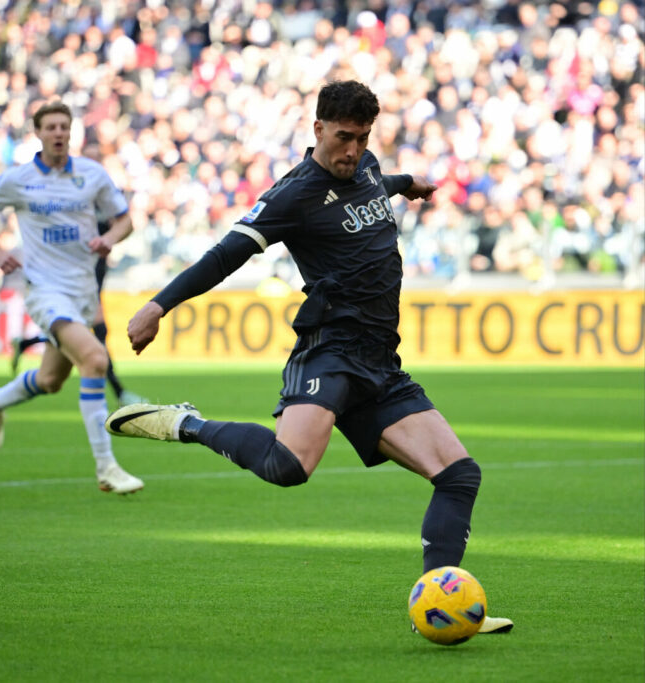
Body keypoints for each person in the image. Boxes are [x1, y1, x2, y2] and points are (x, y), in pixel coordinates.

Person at [105, 80, 512, 634]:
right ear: (318, 128)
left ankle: (441, 606)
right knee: (287, 467)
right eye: (344, 137)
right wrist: (158, 305)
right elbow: (224, 255)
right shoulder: (291, 195)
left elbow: (374, 184)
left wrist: (407, 185)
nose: (353, 149)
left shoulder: (365, 165)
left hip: (379, 364)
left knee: (460, 475)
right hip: (331, 352)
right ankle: (186, 424)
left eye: (363, 137)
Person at [0, 101, 144, 495]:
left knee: (50, 380)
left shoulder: (91, 174)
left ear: (72, 131)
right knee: (96, 359)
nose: (59, 133)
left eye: (64, 126)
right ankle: (107, 467)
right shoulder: (19, 179)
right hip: (44, 289)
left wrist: (109, 239)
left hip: (83, 289)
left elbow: (125, 220)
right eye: (51, 127)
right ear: (39, 133)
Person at [9, 219, 145, 409]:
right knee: (97, 338)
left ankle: (25, 343)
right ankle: (120, 392)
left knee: (53, 374)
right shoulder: (80, 208)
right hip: (79, 283)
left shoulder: (104, 200)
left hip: (94, 277)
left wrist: (111, 237)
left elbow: (123, 223)